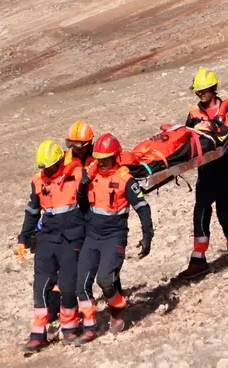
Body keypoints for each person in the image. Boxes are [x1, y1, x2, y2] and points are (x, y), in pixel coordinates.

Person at [75, 133, 154, 344]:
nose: (101, 163)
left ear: (115, 157)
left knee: (105, 280)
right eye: (98, 158)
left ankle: (118, 307)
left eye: (106, 159)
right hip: (91, 237)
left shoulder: (125, 180)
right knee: (81, 284)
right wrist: (82, 189)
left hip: (113, 237)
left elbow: (143, 209)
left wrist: (148, 236)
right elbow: (82, 207)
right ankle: (89, 327)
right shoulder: (91, 176)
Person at [17, 140, 89, 353]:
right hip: (47, 239)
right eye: (44, 168)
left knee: (67, 285)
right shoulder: (38, 182)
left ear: (59, 161)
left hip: (72, 238)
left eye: (51, 166)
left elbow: (90, 203)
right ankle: (38, 333)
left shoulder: (77, 174)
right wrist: (24, 238)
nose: (47, 171)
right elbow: (32, 211)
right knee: (40, 286)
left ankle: (70, 328)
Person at [175, 69, 228, 279]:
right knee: (201, 212)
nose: (200, 95)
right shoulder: (194, 113)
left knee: (225, 212)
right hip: (206, 170)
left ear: (213, 89)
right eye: (197, 92)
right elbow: (188, 139)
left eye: (203, 91)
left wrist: (217, 132)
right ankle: (198, 259)